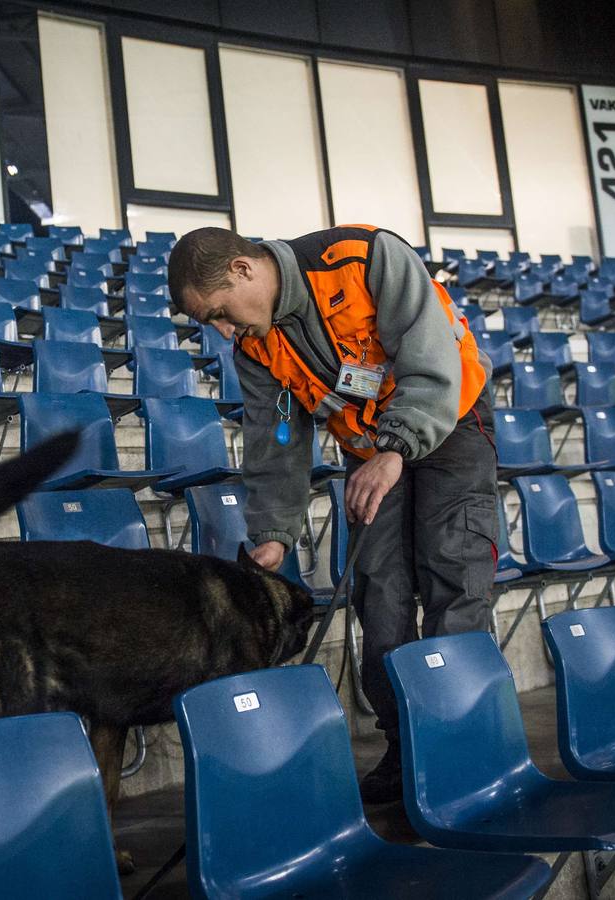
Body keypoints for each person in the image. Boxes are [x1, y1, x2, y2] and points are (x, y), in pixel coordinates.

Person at [169, 225, 498, 804]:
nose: (224, 331)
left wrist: (395, 450)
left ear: (244, 270)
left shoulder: (360, 258)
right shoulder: (255, 344)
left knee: (454, 570)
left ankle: (460, 742)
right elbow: (275, 442)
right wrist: (272, 535)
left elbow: (430, 356)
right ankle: (405, 748)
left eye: (220, 312)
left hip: (450, 420)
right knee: (379, 587)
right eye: (210, 324)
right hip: (370, 447)